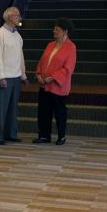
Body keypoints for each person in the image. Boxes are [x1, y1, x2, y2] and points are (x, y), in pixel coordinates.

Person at [32, 17, 77, 145]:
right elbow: (41, 62)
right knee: (43, 111)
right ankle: (44, 136)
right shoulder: (50, 44)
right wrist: (39, 74)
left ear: (65, 31)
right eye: (54, 29)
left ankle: (61, 136)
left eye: (57, 29)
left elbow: (68, 68)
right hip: (44, 85)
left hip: (58, 86)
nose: (54, 31)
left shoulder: (71, 47)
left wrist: (53, 77)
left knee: (60, 113)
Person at [0, 6, 29, 145]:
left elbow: (20, 57)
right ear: (10, 17)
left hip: (16, 76)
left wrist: (23, 75)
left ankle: (11, 134)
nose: (19, 18)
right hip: (4, 78)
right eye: (17, 15)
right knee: (2, 108)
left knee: (12, 108)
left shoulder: (17, 35)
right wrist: (1, 76)